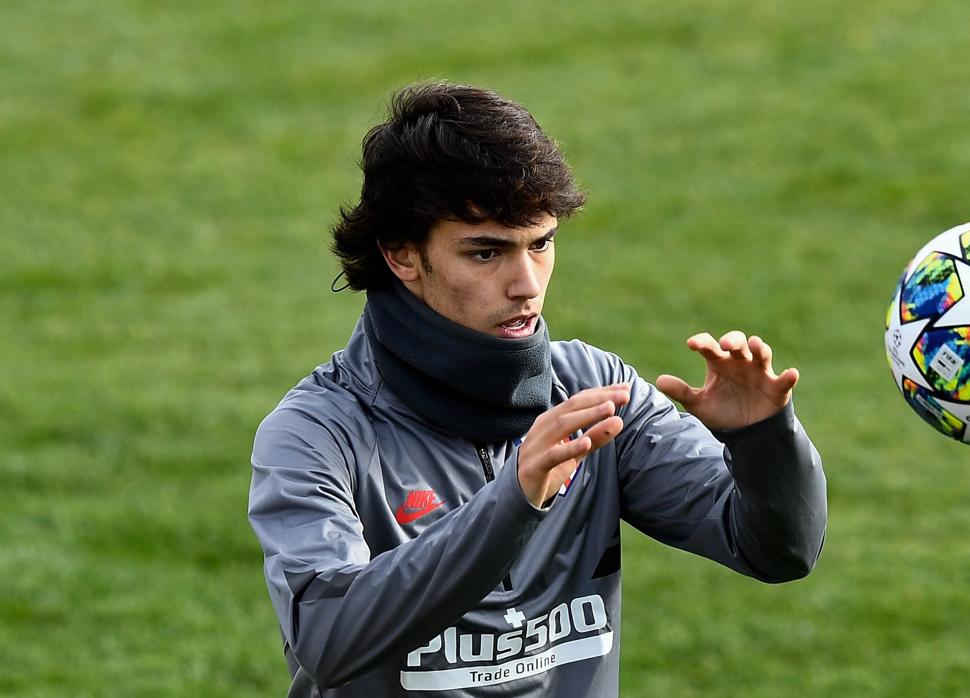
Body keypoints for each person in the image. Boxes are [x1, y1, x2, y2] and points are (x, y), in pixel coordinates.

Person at [248, 81, 828, 697]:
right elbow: (328, 637)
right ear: (401, 254)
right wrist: (514, 499)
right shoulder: (317, 434)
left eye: (541, 243)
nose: (526, 282)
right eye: (485, 253)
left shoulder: (596, 393)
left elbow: (778, 552)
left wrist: (762, 441)